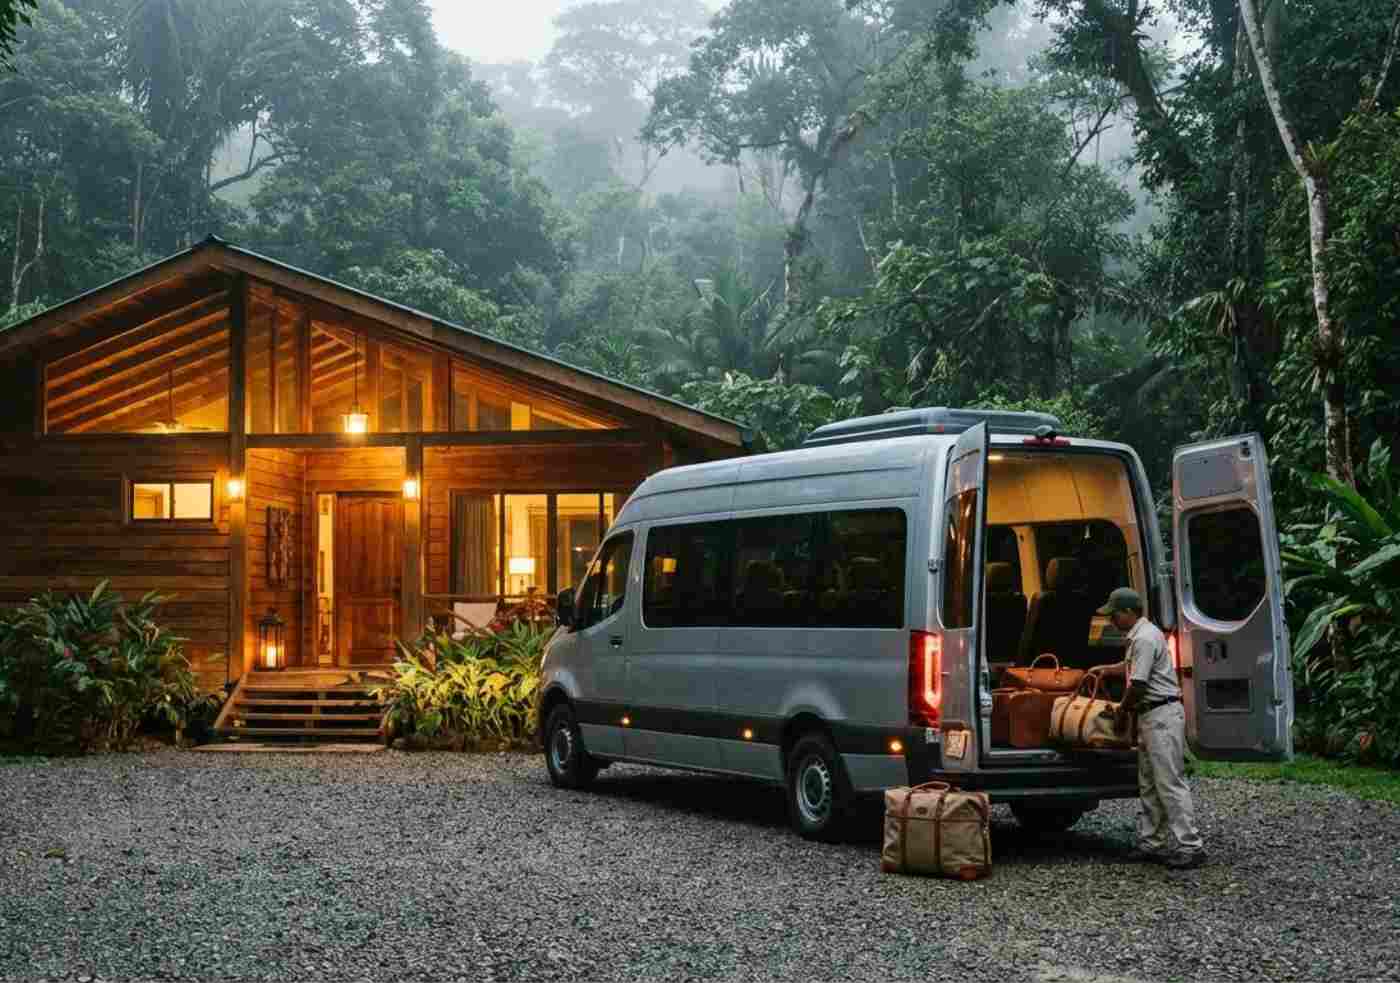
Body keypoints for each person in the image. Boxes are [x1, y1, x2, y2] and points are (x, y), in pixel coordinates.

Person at [1096, 587, 1207, 869]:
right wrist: (1107, 669)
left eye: (1114, 615)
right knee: (1148, 782)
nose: (1111, 620)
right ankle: (1151, 842)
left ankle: (1191, 846)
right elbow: (1133, 668)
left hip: (1160, 715)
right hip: (1151, 716)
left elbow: (1138, 683)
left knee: (1169, 782)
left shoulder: (1144, 638)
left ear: (1129, 612)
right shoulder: (1141, 636)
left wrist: (1121, 711)